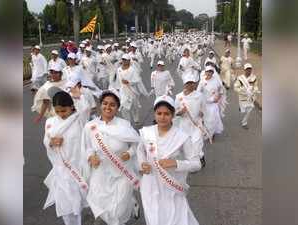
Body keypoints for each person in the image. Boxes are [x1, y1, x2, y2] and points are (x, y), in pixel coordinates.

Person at [137, 95, 202, 225]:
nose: (162, 117)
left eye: (166, 113)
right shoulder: (146, 132)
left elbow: (196, 164)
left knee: (176, 219)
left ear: (173, 114)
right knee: (154, 217)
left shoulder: (182, 137)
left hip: (172, 185)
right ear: (154, 114)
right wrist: (142, 163)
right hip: (150, 184)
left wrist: (176, 163)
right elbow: (140, 151)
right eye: (159, 113)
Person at [81, 91, 141, 225]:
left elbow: (137, 144)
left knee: (119, 211)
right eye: (105, 103)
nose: (108, 107)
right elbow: (87, 147)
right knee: (101, 205)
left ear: (117, 108)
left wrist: (129, 153)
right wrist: (91, 156)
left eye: (112, 105)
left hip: (122, 173)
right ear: (100, 105)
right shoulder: (90, 127)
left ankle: (129, 205)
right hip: (100, 172)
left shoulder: (124, 125)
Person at [42, 91, 88, 225]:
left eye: (64, 110)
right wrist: (51, 143)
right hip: (60, 169)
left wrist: (80, 95)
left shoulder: (79, 119)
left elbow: (85, 107)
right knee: (64, 204)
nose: (61, 114)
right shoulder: (50, 122)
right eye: (57, 111)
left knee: (77, 203)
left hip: (77, 167)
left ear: (71, 107)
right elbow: (46, 140)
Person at [175, 73, 207, 166]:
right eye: (188, 83)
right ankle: (192, 161)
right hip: (184, 125)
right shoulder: (179, 97)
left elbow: (203, 108)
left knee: (197, 143)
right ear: (184, 84)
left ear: (195, 84)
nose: (190, 85)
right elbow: (175, 112)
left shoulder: (200, 95)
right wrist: (181, 112)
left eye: (192, 83)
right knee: (187, 145)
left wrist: (202, 113)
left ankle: (200, 157)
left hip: (197, 124)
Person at [197, 66, 225, 142]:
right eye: (208, 71)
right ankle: (207, 132)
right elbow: (198, 93)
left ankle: (212, 134)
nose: (209, 73)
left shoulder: (216, 81)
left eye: (211, 71)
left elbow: (221, 90)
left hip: (213, 104)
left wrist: (218, 97)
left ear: (213, 73)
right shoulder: (202, 82)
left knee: (212, 119)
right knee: (206, 120)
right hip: (205, 104)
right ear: (205, 72)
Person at [234, 63, 260, 129]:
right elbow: (236, 87)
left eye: (250, 69)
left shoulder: (254, 77)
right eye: (247, 69)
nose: (248, 71)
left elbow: (256, 86)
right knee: (243, 110)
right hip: (242, 97)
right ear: (244, 70)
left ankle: (244, 122)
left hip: (250, 97)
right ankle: (241, 107)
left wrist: (255, 90)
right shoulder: (240, 78)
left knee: (249, 110)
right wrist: (242, 91)